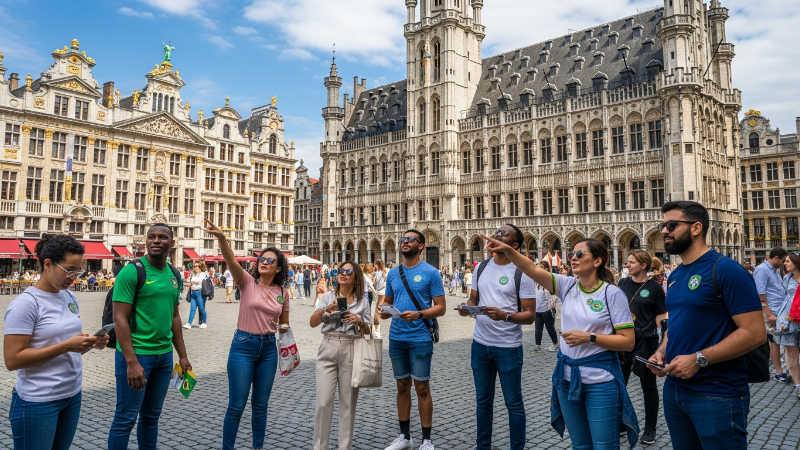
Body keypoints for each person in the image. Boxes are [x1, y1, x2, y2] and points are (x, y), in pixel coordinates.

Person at [483, 235, 639, 449]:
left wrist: (589, 337)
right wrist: (508, 250)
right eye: (572, 253)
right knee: (580, 445)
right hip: (566, 380)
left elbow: (628, 342)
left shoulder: (612, 293)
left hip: (600, 381)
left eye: (580, 254)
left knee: (605, 446)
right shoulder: (568, 286)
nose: (573, 257)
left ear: (598, 261)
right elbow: (531, 269)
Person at [648, 201, 765, 450]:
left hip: (717, 393)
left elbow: (755, 334)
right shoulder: (677, 274)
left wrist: (698, 359)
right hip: (675, 390)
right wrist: (662, 351)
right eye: (662, 225)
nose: (664, 231)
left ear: (696, 228)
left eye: (672, 224)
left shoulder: (726, 270)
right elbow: (678, 322)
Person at [4, 234, 109, 449]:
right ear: (48, 264)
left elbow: (68, 347)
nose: (74, 277)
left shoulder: (69, 297)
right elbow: (13, 360)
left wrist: (87, 344)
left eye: (78, 270)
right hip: (38, 400)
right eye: (69, 269)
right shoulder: (26, 304)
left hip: (71, 394)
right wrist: (66, 346)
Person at [205, 219, 290, 450]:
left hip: (269, 349)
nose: (264, 262)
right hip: (243, 345)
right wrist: (222, 238)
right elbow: (230, 259)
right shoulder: (246, 282)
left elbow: (285, 324)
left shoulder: (283, 292)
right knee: (237, 405)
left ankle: (257, 447)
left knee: (261, 405)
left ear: (279, 267)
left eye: (270, 260)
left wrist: (283, 329)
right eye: (261, 259)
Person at [108, 224, 192, 450]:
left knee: (151, 417)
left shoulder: (175, 274)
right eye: (151, 236)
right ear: (145, 241)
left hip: (163, 358)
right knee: (126, 418)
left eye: (162, 237)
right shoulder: (132, 271)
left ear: (171, 243)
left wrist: (182, 356)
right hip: (137, 355)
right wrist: (132, 362)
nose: (156, 240)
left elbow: (175, 317)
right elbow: (120, 319)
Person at [457, 224, 536, 450]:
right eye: (497, 232)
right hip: (480, 344)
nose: (497, 234)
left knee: (513, 403)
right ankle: (483, 447)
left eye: (504, 233)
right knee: (483, 402)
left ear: (514, 245)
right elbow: (474, 300)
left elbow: (530, 315)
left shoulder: (523, 272)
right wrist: (466, 307)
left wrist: (506, 316)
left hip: (508, 347)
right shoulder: (481, 267)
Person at [379, 230, 447, 450]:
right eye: (402, 240)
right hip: (397, 336)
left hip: (420, 336)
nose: (404, 242)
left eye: (410, 240)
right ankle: (404, 437)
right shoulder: (393, 273)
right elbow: (388, 301)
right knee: (401, 386)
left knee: (422, 387)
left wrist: (419, 314)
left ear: (421, 246)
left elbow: (441, 308)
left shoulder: (431, 273)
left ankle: (426, 441)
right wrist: (385, 312)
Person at [310, 261, 373, 450]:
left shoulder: (362, 301)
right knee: (323, 403)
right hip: (328, 346)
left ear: (356, 278)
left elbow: (369, 331)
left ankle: (344, 447)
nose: (343, 274)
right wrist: (326, 310)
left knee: (348, 404)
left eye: (348, 271)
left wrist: (359, 320)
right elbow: (313, 322)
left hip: (351, 347)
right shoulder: (328, 296)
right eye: (340, 271)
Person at [618, 250, 667, 445]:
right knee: (620, 385)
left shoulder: (654, 287)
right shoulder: (622, 283)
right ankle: (622, 423)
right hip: (623, 341)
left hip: (646, 342)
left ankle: (650, 428)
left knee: (648, 387)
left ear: (643, 265)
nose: (627, 265)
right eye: (627, 262)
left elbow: (661, 317)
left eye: (631, 262)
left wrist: (660, 346)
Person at [754, 247, 790, 381]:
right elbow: (761, 294)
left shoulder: (774, 270)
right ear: (776, 258)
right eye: (783, 261)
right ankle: (778, 372)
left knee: (780, 340)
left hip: (779, 311)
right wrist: (768, 313)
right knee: (773, 342)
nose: (784, 264)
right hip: (771, 312)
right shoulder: (762, 270)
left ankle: (786, 368)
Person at [775, 252, 800, 399]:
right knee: (791, 354)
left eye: (788, 261)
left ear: (796, 263)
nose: (785, 263)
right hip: (789, 320)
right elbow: (784, 297)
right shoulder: (787, 278)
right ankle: (798, 385)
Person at [534, 260, 559, 352]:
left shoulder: (550, 279)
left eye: (540, 267)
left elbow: (555, 293)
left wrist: (551, 303)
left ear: (546, 269)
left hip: (547, 308)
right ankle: (538, 345)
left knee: (550, 328)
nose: (537, 269)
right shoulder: (536, 280)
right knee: (538, 327)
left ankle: (555, 344)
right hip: (537, 308)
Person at [185, 261, 209, 329]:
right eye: (194, 266)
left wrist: (192, 282)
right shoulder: (193, 274)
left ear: (200, 267)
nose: (194, 268)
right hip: (193, 292)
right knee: (192, 309)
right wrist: (188, 284)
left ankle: (204, 322)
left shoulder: (203, 274)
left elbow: (199, 281)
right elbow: (191, 282)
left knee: (201, 308)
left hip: (200, 292)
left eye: (196, 266)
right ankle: (189, 323)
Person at [373, 259, 388, 338]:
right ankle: (376, 329)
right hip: (382, 292)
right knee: (378, 310)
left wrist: (376, 288)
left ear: (377, 265)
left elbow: (379, 284)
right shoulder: (384, 272)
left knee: (378, 310)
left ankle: (376, 330)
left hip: (381, 292)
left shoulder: (379, 273)